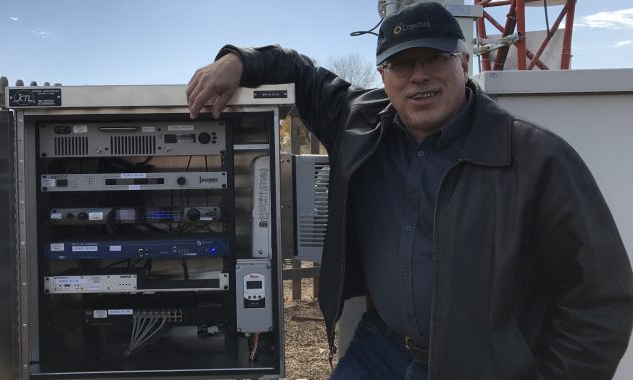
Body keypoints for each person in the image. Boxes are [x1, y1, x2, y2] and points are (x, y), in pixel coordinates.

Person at [186, 2, 633, 379]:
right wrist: (236, 60)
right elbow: (298, 70)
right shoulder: (357, 121)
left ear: (462, 61)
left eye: (433, 58)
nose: (417, 75)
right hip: (380, 351)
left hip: (480, 367)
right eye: (401, 62)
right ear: (383, 73)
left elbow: (600, 301)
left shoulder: (538, 159)